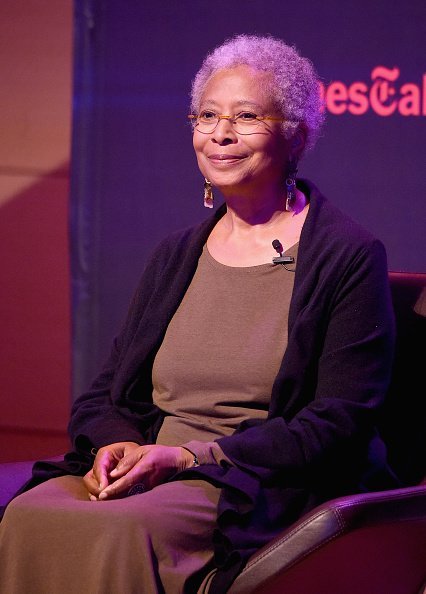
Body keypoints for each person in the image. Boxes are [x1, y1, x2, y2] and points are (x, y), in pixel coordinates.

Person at [0, 35, 396, 594]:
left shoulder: (347, 256)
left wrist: (188, 456)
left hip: (248, 479)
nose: (221, 134)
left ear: (296, 133)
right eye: (207, 115)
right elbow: (105, 393)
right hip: (146, 465)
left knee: (117, 534)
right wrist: (117, 444)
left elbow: (339, 423)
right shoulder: (176, 255)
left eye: (246, 116)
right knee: (28, 515)